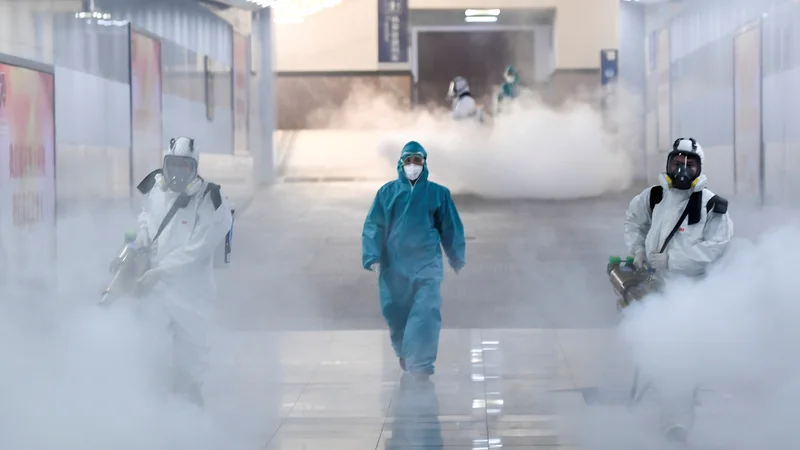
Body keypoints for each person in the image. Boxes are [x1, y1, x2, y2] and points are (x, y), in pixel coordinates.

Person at [623, 137, 734, 442]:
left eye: (690, 164)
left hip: (692, 294)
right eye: (676, 162)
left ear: (700, 168)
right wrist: (638, 251)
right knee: (660, 352)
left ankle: (676, 423)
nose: (682, 169)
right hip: (655, 289)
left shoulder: (712, 205)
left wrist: (672, 261)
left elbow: (716, 248)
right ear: (668, 164)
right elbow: (634, 221)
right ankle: (671, 410)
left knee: (679, 354)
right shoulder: (654, 197)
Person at [133, 136, 233, 407]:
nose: (176, 173)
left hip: (192, 298)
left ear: (195, 168)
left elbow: (197, 249)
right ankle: (157, 425)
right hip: (156, 292)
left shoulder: (211, 201)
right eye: (172, 166)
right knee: (152, 363)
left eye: (184, 167)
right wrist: (141, 238)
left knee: (190, 369)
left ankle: (191, 427)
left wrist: (160, 272)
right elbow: (147, 219)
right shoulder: (158, 189)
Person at [362, 141, 466, 380]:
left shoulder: (438, 194)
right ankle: (405, 350)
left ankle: (420, 363)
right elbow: (373, 226)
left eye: (417, 160)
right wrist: (373, 256)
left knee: (426, 310)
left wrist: (456, 256)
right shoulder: (386, 193)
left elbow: (450, 227)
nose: (412, 165)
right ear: (400, 164)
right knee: (396, 313)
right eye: (408, 160)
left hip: (426, 264)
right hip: (394, 266)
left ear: (425, 163)